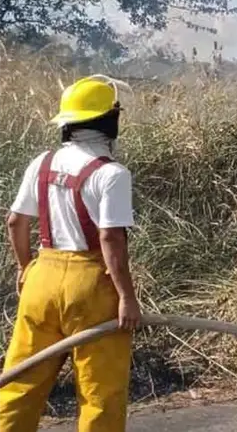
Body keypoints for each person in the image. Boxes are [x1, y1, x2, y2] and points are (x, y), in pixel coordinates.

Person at [0, 76, 140, 432]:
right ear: (110, 120)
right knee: (100, 393)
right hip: (91, 287)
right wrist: (127, 297)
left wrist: (25, 267)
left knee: (19, 383)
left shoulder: (42, 162)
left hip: (41, 280)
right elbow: (110, 238)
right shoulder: (112, 173)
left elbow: (15, 221)